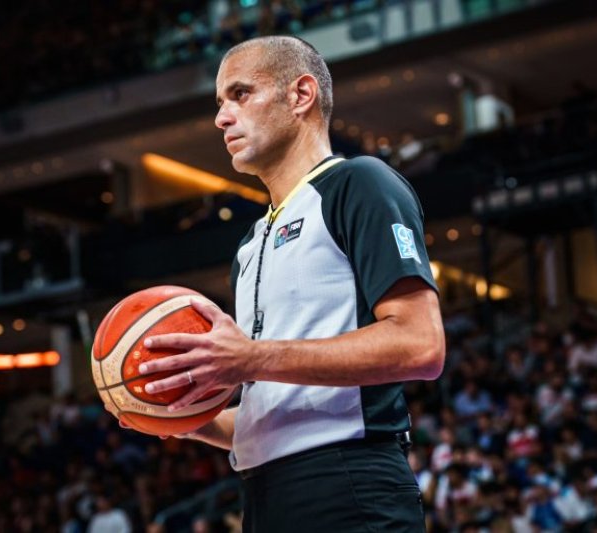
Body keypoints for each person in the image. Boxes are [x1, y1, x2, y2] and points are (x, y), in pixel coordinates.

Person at [127, 35, 444, 532]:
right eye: (219, 103)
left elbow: (420, 344)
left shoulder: (359, 183)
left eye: (240, 94)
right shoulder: (251, 244)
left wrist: (252, 358)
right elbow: (269, 416)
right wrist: (177, 414)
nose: (221, 117)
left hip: (348, 482)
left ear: (301, 95)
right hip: (266, 492)